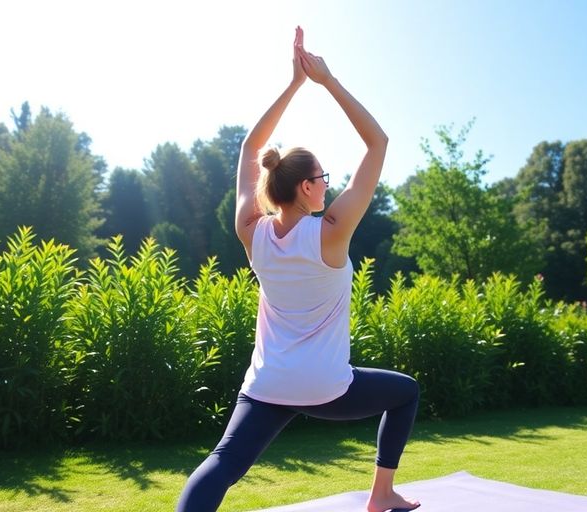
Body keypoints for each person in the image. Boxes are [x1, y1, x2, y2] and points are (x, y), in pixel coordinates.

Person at [176, 27, 421, 512]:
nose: (328, 184)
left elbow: (250, 150)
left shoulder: (252, 230)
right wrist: (325, 81)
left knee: (222, 464)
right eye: (322, 178)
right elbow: (378, 143)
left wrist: (291, 85)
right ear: (306, 188)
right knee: (406, 392)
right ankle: (381, 494)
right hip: (326, 387)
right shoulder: (331, 231)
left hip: (267, 385)